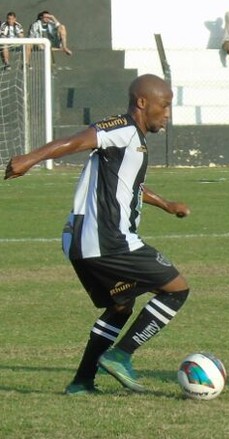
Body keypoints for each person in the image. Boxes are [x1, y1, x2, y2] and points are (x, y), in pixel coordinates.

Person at [4, 74, 194, 395]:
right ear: (142, 103)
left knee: (121, 306)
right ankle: (121, 355)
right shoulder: (121, 129)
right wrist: (30, 159)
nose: (167, 113)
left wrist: (166, 204)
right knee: (176, 289)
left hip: (82, 242)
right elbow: (76, 141)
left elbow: (129, 185)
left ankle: (82, 382)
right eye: (164, 105)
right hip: (108, 239)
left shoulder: (132, 140)